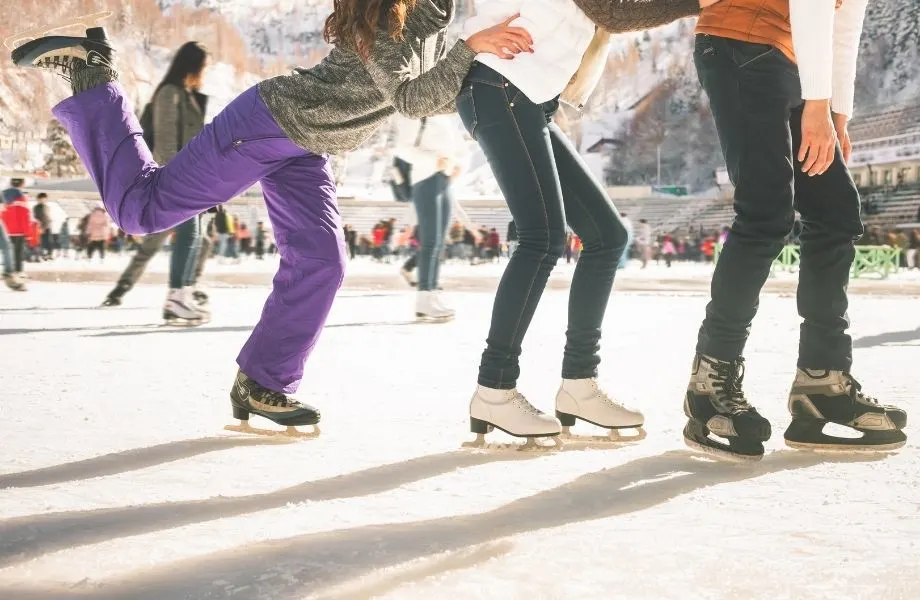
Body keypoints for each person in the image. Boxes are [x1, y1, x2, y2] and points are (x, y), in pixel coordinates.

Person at [11, 0, 531, 433]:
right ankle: (91, 71)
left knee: (322, 263)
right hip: (268, 124)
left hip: (308, 145)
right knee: (140, 209)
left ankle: (263, 383)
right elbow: (412, 97)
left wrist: (489, 67)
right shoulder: (386, 15)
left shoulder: (433, 14)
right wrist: (471, 50)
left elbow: (421, 95)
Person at [457, 0, 701, 445]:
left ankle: (579, 386)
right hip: (501, 84)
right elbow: (612, 11)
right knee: (541, 239)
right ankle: (494, 388)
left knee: (608, 236)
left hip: (528, 97)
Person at [682, 0, 907, 461]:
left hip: (792, 59)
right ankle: (709, 383)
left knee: (836, 211)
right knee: (765, 214)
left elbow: (844, 20)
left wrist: (835, 113)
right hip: (741, 43)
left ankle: (821, 383)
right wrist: (818, 107)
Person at [102, 42, 211, 325]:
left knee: (196, 237)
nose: (205, 72)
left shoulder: (187, 95)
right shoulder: (169, 94)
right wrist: (177, 180)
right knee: (187, 237)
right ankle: (175, 299)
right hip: (177, 179)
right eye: (204, 66)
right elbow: (165, 143)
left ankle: (183, 295)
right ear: (193, 65)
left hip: (192, 179)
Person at [393, 114, 473, 320]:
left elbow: (461, 148)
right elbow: (402, 148)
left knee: (438, 243)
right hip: (425, 178)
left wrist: (458, 166)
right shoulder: (415, 113)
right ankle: (424, 299)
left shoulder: (446, 116)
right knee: (429, 242)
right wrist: (433, 160)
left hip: (445, 180)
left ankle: (432, 294)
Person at [0, 186, 31, 283]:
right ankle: (13, 272)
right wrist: (27, 232)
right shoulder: (21, 198)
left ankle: (9, 271)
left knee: (7, 248)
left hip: (8, 229)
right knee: (13, 250)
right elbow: (25, 215)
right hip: (18, 231)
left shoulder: (4, 195)